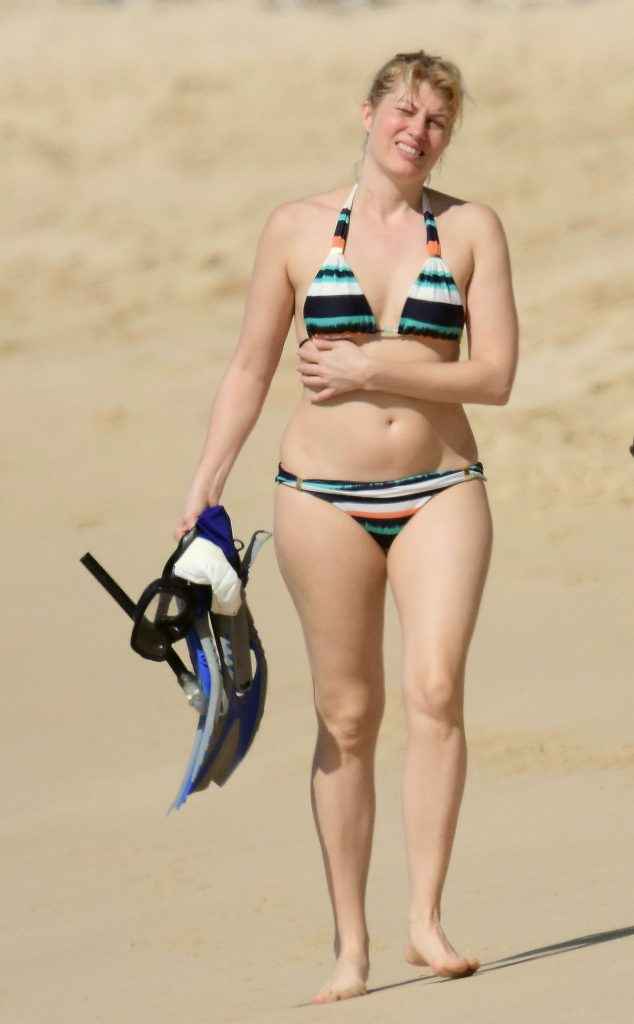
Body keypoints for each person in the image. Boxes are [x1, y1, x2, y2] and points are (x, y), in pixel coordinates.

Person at [176, 50, 518, 1004]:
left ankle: (426, 921)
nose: (418, 131)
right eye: (404, 111)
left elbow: (495, 376)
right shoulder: (293, 227)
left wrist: (375, 370)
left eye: (438, 120)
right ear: (368, 114)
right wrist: (205, 482)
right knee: (347, 714)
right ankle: (351, 949)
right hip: (319, 497)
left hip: (442, 487)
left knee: (436, 689)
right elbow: (251, 367)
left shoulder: (472, 229)